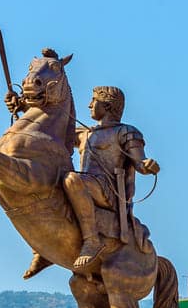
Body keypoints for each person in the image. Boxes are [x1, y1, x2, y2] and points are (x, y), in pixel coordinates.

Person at [58, 86, 160, 272]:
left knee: (71, 179)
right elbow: (53, 128)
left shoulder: (126, 132)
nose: (89, 105)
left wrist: (147, 165)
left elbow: (140, 162)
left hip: (108, 191)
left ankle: (92, 240)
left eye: (93, 100)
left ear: (107, 105)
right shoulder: (85, 133)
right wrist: (24, 105)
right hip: (86, 185)